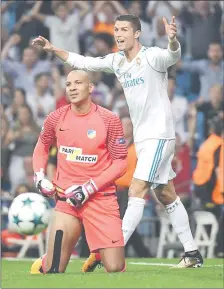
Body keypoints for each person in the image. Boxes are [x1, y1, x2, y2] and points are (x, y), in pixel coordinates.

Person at [32, 14, 203, 270]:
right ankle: (192, 253)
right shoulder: (117, 61)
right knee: (166, 194)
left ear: (137, 33)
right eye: (116, 29)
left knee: (136, 190)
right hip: (144, 138)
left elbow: (172, 56)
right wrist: (52, 48)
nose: (118, 33)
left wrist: (173, 40)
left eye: (124, 29)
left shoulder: (152, 56)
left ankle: (110, 248)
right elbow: (84, 62)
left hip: (159, 134)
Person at [30, 70, 127, 274]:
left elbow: (120, 163)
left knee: (116, 268)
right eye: (68, 84)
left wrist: (89, 188)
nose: (72, 88)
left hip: (100, 198)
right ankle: (49, 257)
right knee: (53, 269)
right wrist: (39, 176)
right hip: (67, 200)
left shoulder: (109, 119)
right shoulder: (55, 118)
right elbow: (42, 146)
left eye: (78, 83)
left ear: (90, 87)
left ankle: (99, 253)